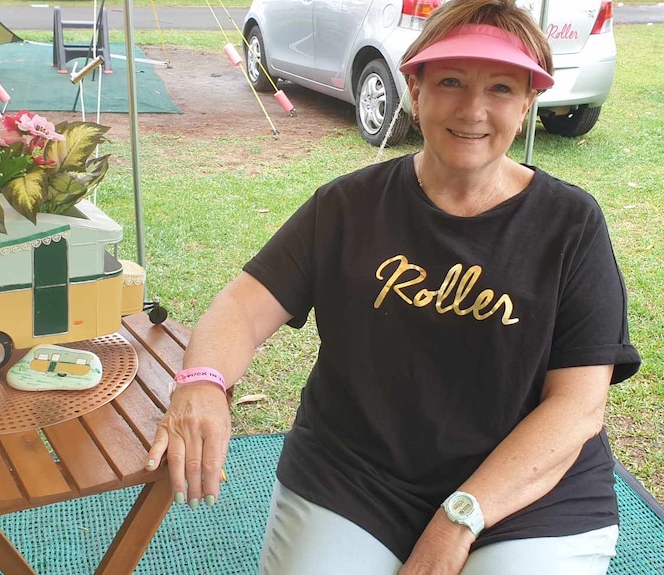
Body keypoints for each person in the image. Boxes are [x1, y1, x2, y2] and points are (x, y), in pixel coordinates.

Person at [144, 0, 642, 572]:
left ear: (529, 101)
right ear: (415, 84)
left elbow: (577, 409)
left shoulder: (571, 225)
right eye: (451, 80)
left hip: (528, 491)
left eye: (502, 88)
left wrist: (459, 519)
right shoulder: (348, 206)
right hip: (356, 475)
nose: (474, 109)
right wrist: (203, 382)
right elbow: (243, 306)